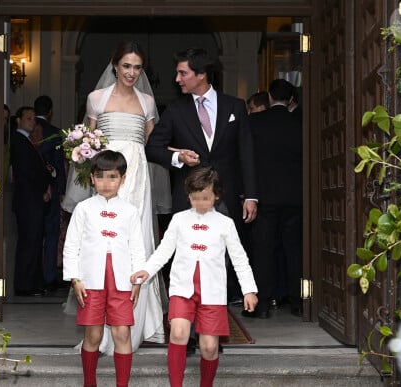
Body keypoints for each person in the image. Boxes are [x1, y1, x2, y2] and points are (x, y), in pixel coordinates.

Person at [145, 46, 257, 350]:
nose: (177, 78)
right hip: (188, 198)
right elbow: (152, 148)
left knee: (218, 262)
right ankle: (191, 331)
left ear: (201, 74)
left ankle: (211, 328)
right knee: (187, 258)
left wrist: (252, 196)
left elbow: (246, 153)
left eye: (183, 73)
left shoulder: (235, 106)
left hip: (227, 197)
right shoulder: (176, 110)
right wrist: (179, 157)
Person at [64, 41, 165, 354]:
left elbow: (149, 142)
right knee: (104, 239)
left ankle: (140, 322)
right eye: (126, 66)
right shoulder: (97, 98)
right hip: (107, 174)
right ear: (115, 66)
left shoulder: (148, 102)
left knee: (137, 242)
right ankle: (102, 327)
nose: (131, 72)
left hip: (137, 175)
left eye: (137, 67)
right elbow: (87, 142)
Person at [130, 166, 258, 387]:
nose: (199, 203)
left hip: (213, 293)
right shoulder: (179, 220)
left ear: (216, 196)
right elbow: (164, 251)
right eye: (194, 198)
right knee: (179, 333)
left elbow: (239, 258)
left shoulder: (225, 224)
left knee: (209, 347)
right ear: (188, 195)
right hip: (182, 289)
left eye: (205, 198)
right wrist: (147, 270)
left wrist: (249, 290)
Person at [63, 150, 144, 387]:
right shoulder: (84, 209)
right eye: (100, 177)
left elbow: (137, 249)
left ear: (123, 178)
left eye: (112, 177)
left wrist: (137, 281)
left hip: (122, 279)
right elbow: (71, 247)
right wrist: (75, 279)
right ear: (91, 179)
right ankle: (90, 382)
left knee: (122, 334)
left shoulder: (130, 211)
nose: (106, 183)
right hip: (91, 281)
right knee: (93, 335)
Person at [245, 78, 303, 318]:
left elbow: (247, 158)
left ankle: (263, 304)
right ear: (290, 100)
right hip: (295, 197)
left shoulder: (254, 122)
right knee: (295, 251)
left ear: (269, 97)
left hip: (264, 195)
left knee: (263, 251)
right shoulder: (300, 123)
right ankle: (299, 301)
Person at [9, 106, 53, 296]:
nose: (32, 122)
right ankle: (24, 284)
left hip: (33, 198)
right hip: (28, 199)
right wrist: (44, 182)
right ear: (18, 120)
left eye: (34, 119)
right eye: (28, 118)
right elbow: (27, 171)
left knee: (35, 241)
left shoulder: (26, 141)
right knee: (29, 242)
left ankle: (33, 282)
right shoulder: (18, 141)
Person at [33, 95, 66, 293]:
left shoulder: (28, 130)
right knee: (51, 233)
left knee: (34, 234)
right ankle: (49, 277)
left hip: (31, 190)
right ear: (50, 111)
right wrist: (60, 190)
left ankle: (35, 275)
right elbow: (59, 164)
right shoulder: (54, 133)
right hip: (51, 189)